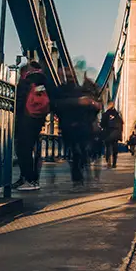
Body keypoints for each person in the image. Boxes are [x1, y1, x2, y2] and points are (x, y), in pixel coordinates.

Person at [51, 68, 102, 184]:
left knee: (77, 151)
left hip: (78, 125)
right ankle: (78, 174)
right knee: (75, 152)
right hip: (73, 125)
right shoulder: (68, 90)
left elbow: (56, 105)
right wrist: (79, 102)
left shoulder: (83, 89)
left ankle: (78, 175)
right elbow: (55, 105)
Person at [14, 61, 50, 192]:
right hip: (37, 119)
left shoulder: (27, 81)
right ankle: (31, 179)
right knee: (32, 150)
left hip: (26, 118)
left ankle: (29, 180)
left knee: (23, 149)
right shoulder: (44, 81)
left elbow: (19, 100)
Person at [100, 102, 124, 168]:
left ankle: (108, 163)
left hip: (108, 134)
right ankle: (114, 163)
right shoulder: (117, 115)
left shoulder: (105, 114)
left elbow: (102, 124)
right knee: (115, 149)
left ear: (108, 107)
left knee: (108, 149)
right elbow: (121, 124)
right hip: (115, 135)